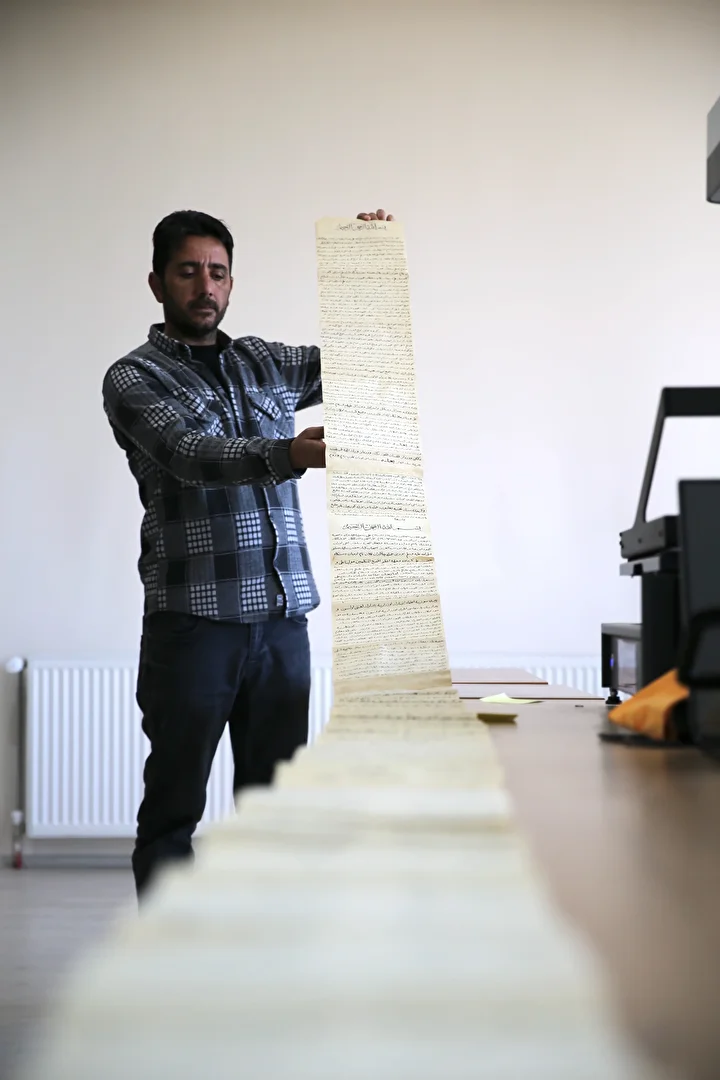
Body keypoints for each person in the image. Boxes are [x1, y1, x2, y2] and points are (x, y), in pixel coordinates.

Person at [103, 206, 393, 898]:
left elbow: (367, 359)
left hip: (282, 623)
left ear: (231, 282)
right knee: (174, 809)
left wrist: (369, 268)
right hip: (193, 625)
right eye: (188, 272)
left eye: (218, 272)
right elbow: (190, 453)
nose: (205, 286)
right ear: (157, 283)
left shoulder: (265, 361)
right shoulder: (133, 377)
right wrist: (289, 452)